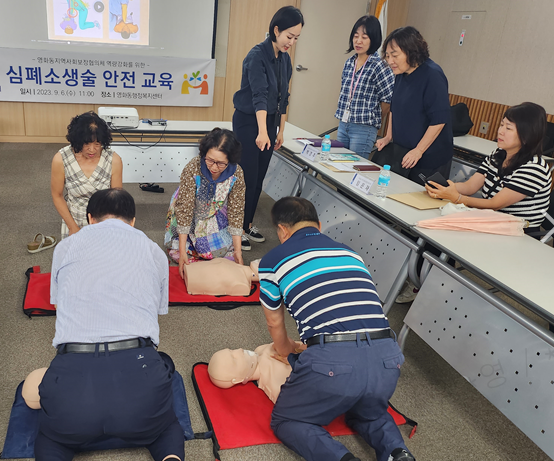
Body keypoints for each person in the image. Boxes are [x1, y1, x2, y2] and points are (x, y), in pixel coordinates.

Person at [258, 197, 414, 461]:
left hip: (333, 364)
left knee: (287, 421)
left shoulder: (272, 260)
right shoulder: (349, 252)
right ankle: (398, 454)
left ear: (282, 230)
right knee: (370, 413)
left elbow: (274, 321)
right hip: (388, 357)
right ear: (319, 224)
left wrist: (287, 351)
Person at [37, 188, 183, 461]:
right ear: (133, 220)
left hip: (73, 391)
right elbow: (157, 310)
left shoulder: (66, 247)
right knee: (165, 428)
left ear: (90, 218)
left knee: (51, 437)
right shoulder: (154, 252)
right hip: (140, 388)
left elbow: (58, 302)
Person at [232, 6, 303, 251]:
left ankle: (247, 223)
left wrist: (279, 130)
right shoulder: (256, 56)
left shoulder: (284, 60)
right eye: (289, 36)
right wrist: (262, 131)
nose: (291, 42)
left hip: (269, 123)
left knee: (259, 179)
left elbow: (283, 98)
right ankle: (236, 229)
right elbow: (259, 97)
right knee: (247, 178)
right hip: (249, 122)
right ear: (276, 30)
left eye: (296, 38)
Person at [425, 102, 551, 230]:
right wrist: (443, 187)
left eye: (508, 128)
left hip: (518, 231)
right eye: (501, 125)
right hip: (490, 220)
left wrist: (457, 198)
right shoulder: (498, 155)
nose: (500, 131)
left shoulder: (534, 168)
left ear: (527, 136)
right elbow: (470, 187)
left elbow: (494, 204)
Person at [376, 26, 453, 185]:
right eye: (388, 56)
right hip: (403, 154)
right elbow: (394, 108)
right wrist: (389, 136)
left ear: (411, 51)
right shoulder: (401, 74)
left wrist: (419, 150)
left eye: (395, 55)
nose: (390, 61)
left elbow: (439, 120)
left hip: (428, 157)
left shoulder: (432, 75)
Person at [165, 128, 245, 278]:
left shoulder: (237, 173)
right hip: (190, 210)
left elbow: (236, 211)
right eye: (210, 160)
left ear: (231, 160)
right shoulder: (193, 167)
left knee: (222, 254)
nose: (214, 167)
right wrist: (182, 251)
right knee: (180, 252)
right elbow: (185, 208)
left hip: (215, 210)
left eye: (221, 163)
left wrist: (238, 251)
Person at [50, 111, 123, 239]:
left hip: (104, 220)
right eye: (87, 144)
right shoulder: (61, 159)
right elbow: (57, 195)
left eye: (97, 144)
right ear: (77, 141)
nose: (92, 150)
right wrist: (72, 227)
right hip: (74, 219)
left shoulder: (113, 159)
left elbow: (116, 199)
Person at [334, 15, 395, 159]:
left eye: (364, 37)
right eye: (356, 36)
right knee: (337, 166)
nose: (358, 41)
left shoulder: (380, 65)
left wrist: (373, 120)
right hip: (344, 123)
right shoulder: (349, 62)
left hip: (363, 128)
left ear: (373, 39)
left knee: (355, 169)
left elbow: (388, 99)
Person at [208, 342, 302, 404]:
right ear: (238, 379)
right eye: (234, 359)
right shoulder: (272, 385)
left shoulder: (260, 349)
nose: (239, 350)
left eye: (232, 350)